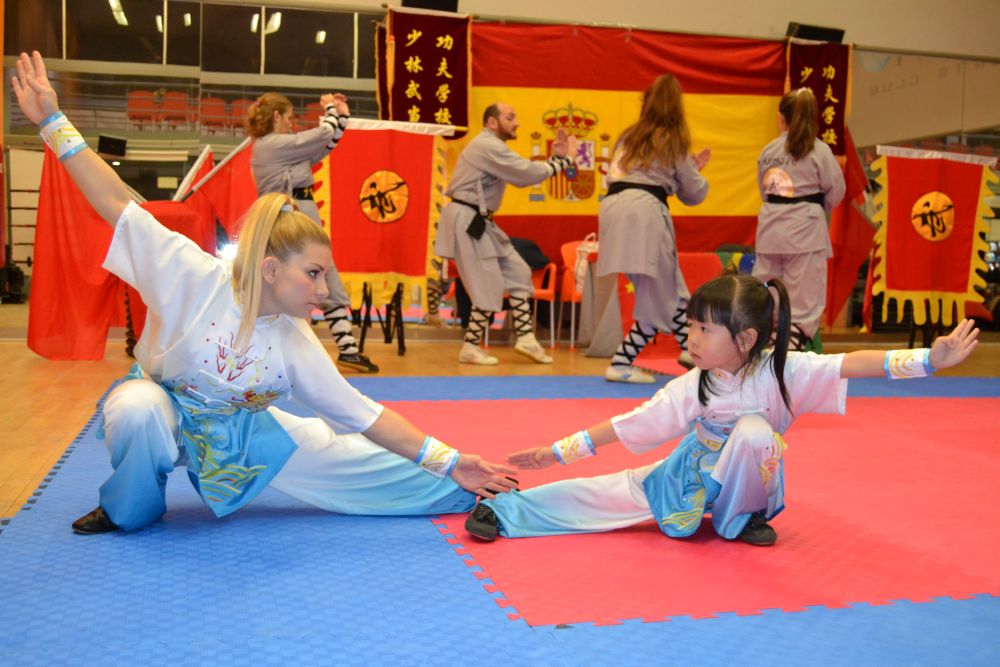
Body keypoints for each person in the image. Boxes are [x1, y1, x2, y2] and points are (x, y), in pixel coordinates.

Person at [12, 51, 518, 534]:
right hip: (163, 408)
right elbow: (116, 201)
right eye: (314, 274)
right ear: (271, 269)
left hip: (241, 434)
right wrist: (52, 123)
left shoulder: (296, 342)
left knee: (363, 466)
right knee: (135, 408)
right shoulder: (190, 272)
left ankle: (457, 491)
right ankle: (133, 508)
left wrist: (454, 464)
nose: (323, 291)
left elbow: (366, 416)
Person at [464, 274, 979, 546]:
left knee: (757, 432)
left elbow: (853, 363)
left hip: (748, 483)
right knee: (609, 495)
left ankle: (740, 521)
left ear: (747, 338)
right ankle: (506, 513)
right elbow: (630, 426)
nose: (689, 338)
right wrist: (556, 453)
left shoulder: (787, 371)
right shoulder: (694, 384)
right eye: (690, 326)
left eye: (704, 330)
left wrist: (929, 361)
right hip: (690, 479)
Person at [434, 102, 575, 366]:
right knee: (487, 286)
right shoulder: (487, 146)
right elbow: (525, 174)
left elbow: (524, 172)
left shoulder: (491, 146)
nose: (517, 122)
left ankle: (526, 339)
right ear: (492, 122)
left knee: (519, 271)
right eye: (510, 117)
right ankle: (471, 347)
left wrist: (555, 160)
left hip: (481, 221)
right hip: (469, 219)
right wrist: (562, 162)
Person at [248, 91, 379, 373]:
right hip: (288, 218)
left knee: (320, 273)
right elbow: (322, 134)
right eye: (290, 117)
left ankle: (346, 348)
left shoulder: (282, 146)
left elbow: (328, 142)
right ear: (276, 117)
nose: (292, 123)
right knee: (308, 277)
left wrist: (341, 114)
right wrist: (330, 108)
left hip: (298, 215)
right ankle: (336, 348)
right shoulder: (271, 144)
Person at [598, 74, 710, 384]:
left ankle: (691, 350)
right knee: (662, 291)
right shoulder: (673, 139)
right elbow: (693, 193)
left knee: (666, 287)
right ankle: (623, 362)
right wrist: (696, 174)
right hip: (645, 213)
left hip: (613, 209)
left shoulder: (628, 136)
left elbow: (630, 172)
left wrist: (682, 173)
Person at [754, 87, 846, 351]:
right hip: (805, 229)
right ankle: (786, 357)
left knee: (768, 295)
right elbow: (836, 191)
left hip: (771, 228)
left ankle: (766, 351)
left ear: (781, 118)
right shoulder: (819, 150)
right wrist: (815, 207)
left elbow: (764, 191)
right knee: (803, 304)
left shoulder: (769, 150)